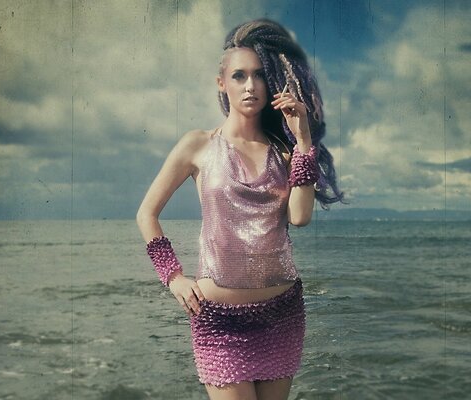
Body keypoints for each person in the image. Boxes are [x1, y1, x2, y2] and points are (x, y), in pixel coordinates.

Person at [137, 19, 343, 400]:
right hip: (217, 319)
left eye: (260, 76)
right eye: (239, 76)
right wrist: (174, 277)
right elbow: (147, 213)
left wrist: (303, 139)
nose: (250, 86)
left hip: (281, 313)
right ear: (222, 83)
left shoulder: (286, 152)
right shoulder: (197, 145)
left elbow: (300, 217)